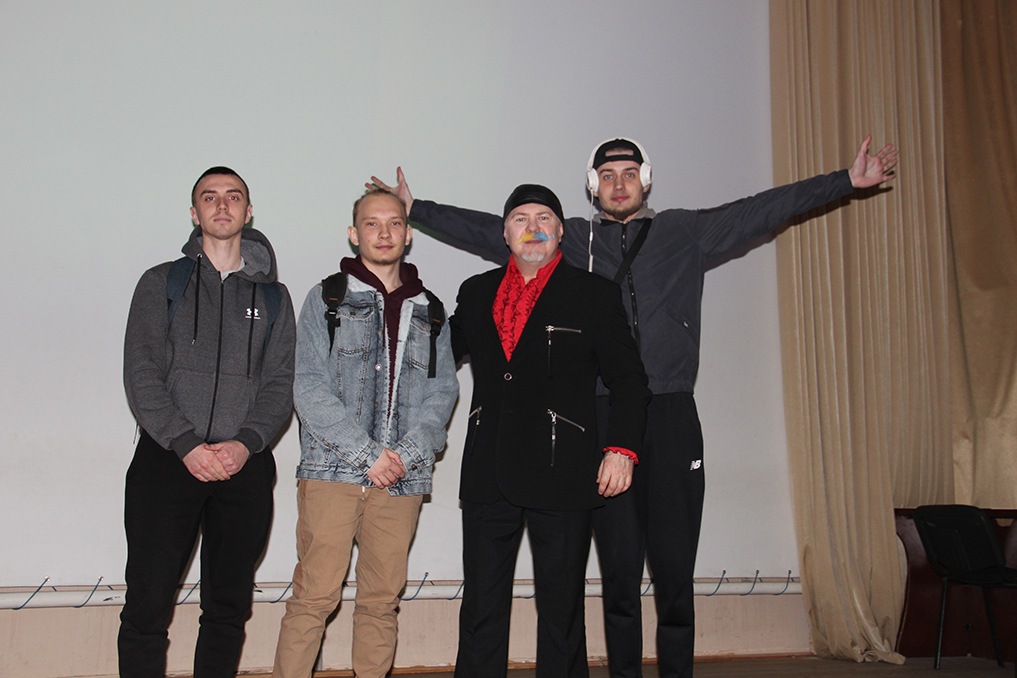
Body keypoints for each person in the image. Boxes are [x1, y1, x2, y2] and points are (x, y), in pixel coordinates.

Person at [369, 135, 899, 678]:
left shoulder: (684, 231)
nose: (618, 184)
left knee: (673, 573)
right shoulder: (570, 238)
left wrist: (843, 181)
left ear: (645, 179)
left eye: (628, 173)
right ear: (592, 185)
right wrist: (416, 210)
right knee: (617, 576)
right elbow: (493, 229)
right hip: (595, 418)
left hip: (667, 412)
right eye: (607, 175)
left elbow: (760, 210)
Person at [449, 184, 650, 678]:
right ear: (505, 233)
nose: (533, 227)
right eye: (520, 219)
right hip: (488, 471)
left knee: (561, 612)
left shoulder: (594, 294)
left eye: (544, 218)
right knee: (480, 608)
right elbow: (435, 360)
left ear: (561, 230)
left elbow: (630, 381)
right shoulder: (475, 292)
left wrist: (621, 449)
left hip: (564, 471)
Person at [272, 188, 459, 678]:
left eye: (394, 223)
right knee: (314, 597)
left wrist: (405, 455)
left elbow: (443, 394)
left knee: (381, 601)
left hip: (402, 480)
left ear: (408, 234)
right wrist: (366, 455)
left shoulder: (432, 309)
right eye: (372, 224)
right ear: (354, 234)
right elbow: (307, 385)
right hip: (332, 473)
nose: (384, 232)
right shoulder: (328, 297)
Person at [121, 166, 296, 678]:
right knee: (148, 604)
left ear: (248, 211)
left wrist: (244, 444)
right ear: (194, 213)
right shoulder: (160, 283)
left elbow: (281, 382)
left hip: (245, 466)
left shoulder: (275, 297)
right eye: (210, 197)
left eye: (233, 196)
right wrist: (185, 443)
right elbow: (141, 373)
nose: (222, 205)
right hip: (167, 460)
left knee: (227, 608)